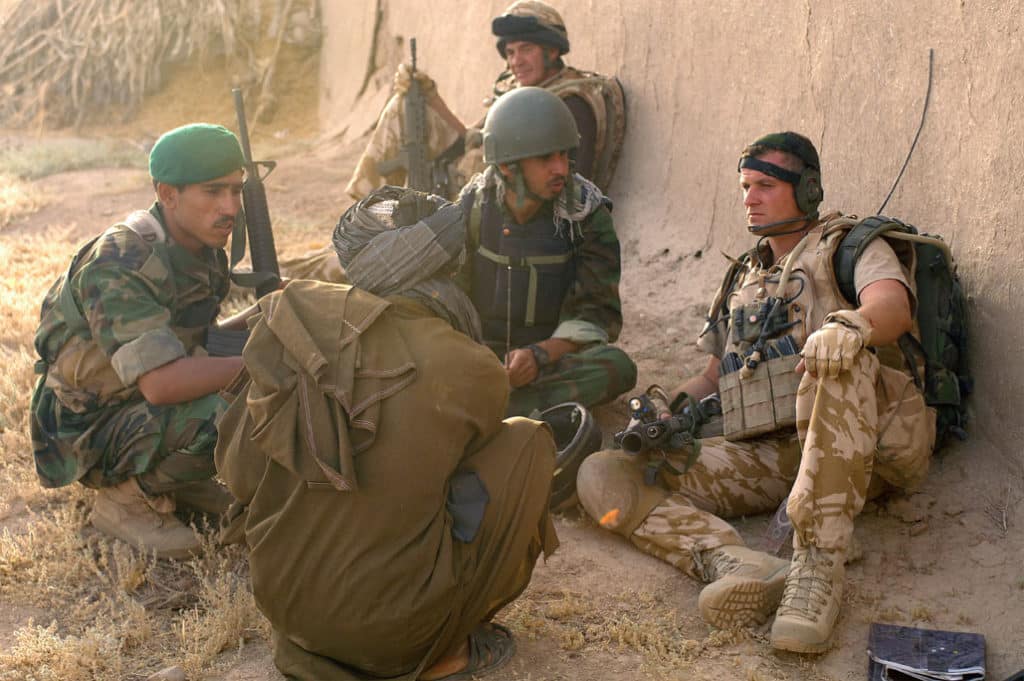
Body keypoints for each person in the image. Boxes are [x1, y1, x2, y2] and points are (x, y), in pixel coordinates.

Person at [576, 132, 935, 653]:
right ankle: (735, 562)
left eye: (766, 185)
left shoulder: (848, 244)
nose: (750, 197)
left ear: (808, 190)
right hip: (767, 453)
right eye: (746, 186)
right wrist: (668, 411)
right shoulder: (744, 275)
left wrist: (849, 327)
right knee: (605, 473)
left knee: (833, 354)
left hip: (859, 444)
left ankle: (818, 566)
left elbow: (892, 305)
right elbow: (710, 376)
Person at [215, 186, 558, 680]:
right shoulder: (472, 368)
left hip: (284, 606)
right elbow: (465, 473)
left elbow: (240, 473)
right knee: (526, 441)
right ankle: (444, 655)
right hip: (394, 634)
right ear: (446, 271)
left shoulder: (293, 321)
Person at [29, 123, 252, 559]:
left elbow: (193, 343)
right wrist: (259, 358)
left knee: (249, 369)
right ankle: (126, 499)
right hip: (83, 426)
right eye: (213, 191)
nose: (230, 207)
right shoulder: (120, 262)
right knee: (233, 408)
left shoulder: (196, 247)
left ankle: (176, 478)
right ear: (168, 194)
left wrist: (264, 319)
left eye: (237, 190)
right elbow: (162, 383)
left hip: (126, 401)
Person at [455, 86, 636, 417]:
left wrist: (538, 356)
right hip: (476, 356)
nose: (562, 169)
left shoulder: (586, 215)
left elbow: (597, 313)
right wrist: (473, 356)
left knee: (617, 367)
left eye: (565, 155)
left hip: (549, 358)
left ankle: (494, 408)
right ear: (508, 166)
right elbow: (449, 299)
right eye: (545, 158)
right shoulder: (473, 208)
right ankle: (510, 406)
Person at [344, 0, 625, 200]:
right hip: (459, 191)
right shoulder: (521, 94)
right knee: (405, 105)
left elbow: (566, 187)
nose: (516, 61)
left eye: (526, 49)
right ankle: (367, 217)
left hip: (484, 215)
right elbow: (471, 141)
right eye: (511, 53)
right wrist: (431, 97)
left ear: (552, 51)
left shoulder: (567, 104)